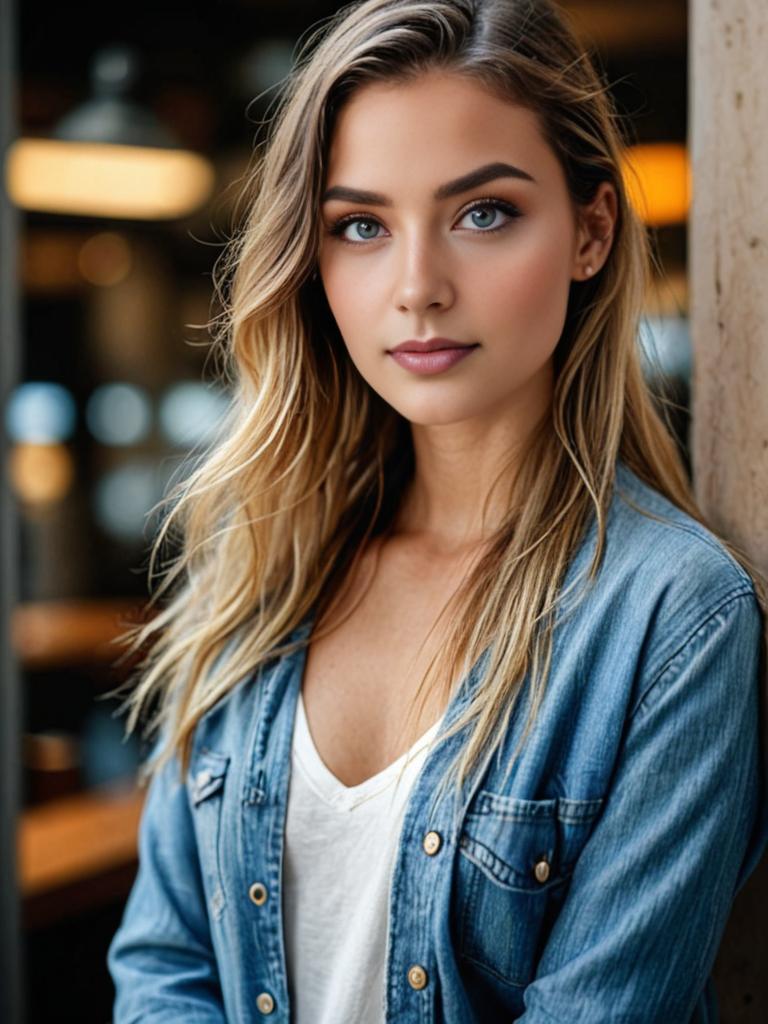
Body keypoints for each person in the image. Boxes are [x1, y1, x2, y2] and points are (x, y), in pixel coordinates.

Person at [106, 0, 768, 1020]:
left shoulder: (673, 619)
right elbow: (161, 969)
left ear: (591, 230)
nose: (417, 287)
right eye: (361, 226)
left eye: (482, 213)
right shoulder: (262, 571)